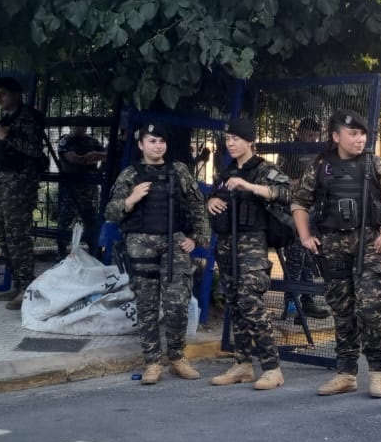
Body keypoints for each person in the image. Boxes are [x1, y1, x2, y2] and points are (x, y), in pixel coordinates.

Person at [290, 109, 381, 399]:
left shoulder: (375, 165)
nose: (359, 139)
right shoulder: (321, 166)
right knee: (342, 311)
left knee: (371, 308)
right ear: (336, 136)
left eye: (362, 133)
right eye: (353, 133)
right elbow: (300, 202)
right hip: (332, 247)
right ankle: (346, 373)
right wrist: (305, 237)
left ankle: (377, 371)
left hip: (370, 245)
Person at [105, 122, 209, 385]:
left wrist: (196, 238)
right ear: (141, 145)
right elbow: (111, 212)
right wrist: (131, 199)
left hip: (175, 244)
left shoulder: (179, 170)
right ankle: (152, 362)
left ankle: (177, 357)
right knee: (147, 306)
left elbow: (197, 205)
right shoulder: (130, 174)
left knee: (177, 304)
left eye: (161, 141)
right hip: (140, 245)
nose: (157, 146)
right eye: (152, 141)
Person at [206, 118, 291, 391]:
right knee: (235, 304)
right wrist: (211, 201)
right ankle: (242, 364)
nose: (230, 144)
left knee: (250, 301)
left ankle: (272, 368)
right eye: (228, 139)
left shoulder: (265, 169)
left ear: (250, 141)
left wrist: (251, 187)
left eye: (236, 139)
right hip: (227, 245)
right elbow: (216, 197)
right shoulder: (226, 172)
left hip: (252, 245)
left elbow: (287, 193)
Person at [0, 76, 46, 309]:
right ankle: (17, 283)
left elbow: (34, 149)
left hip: (19, 183)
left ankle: (26, 287)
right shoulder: (5, 119)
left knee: (17, 235)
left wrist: (7, 136)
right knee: (3, 235)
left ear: (16, 95)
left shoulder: (29, 117)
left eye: (3, 94)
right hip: (2, 181)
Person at [280, 117, 330, 319]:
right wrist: (306, 182)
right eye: (309, 135)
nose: (312, 139)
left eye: (315, 136)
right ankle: (291, 302)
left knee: (310, 257)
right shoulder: (290, 152)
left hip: (315, 211)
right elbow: (283, 181)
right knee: (295, 258)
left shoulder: (318, 153)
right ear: (299, 133)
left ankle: (308, 302)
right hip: (295, 210)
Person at [56, 125, 106, 257]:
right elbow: (74, 159)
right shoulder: (66, 140)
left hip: (89, 189)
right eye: (76, 125)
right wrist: (92, 157)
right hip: (70, 189)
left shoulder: (93, 141)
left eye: (82, 125)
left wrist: (92, 157)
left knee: (91, 221)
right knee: (65, 220)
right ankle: (61, 253)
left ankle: (95, 253)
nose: (79, 128)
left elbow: (107, 156)